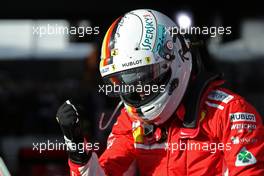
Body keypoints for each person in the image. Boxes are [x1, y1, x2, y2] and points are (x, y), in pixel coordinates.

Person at [56, 9, 264, 176]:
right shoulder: (132, 121)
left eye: (143, 78)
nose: (139, 91)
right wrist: (78, 152)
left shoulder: (231, 114)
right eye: (125, 82)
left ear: (174, 60)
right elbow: (105, 172)